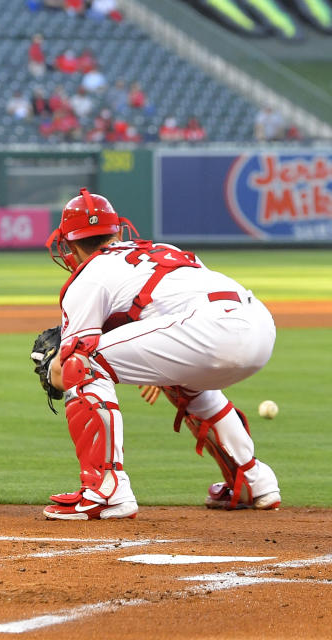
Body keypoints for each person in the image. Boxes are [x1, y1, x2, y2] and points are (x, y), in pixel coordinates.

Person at [37, 189, 280, 520]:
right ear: (119, 231)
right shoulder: (163, 249)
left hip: (206, 329)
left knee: (83, 362)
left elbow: (72, 364)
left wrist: (52, 367)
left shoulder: (88, 276)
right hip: (259, 323)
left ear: (68, 245)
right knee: (182, 383)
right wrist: (157, 369)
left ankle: (107, 490)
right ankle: (252, 479)